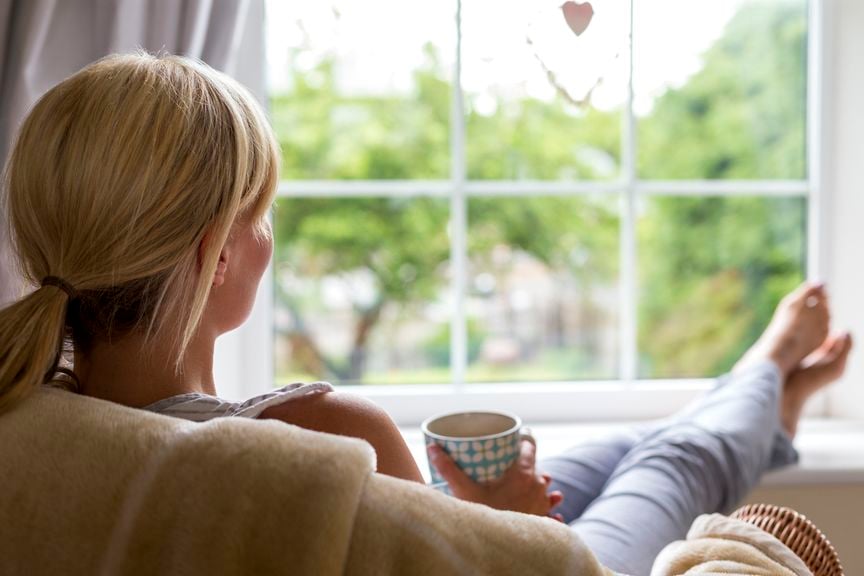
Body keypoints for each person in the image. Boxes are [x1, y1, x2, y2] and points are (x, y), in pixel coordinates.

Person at [0, 53, 852, 575]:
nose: (268, 235)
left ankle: (760, 399)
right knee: (678, 458)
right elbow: (497, 564)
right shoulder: (325, 433)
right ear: (217, 252)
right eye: (259, 215)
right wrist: (511, 524)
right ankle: (768, 377)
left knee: (628, 445)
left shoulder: (49, 418)